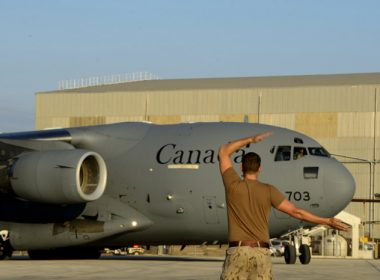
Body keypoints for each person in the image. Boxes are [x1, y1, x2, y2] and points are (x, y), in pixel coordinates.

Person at [218, 131, 349, 280]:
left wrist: (252, 139)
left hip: (237, 252)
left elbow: (223, 151)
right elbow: (296, 212)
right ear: (260, 168)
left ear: (241, 167)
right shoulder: (269, 190)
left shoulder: (233, 185)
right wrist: (327, 221)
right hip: (261, 253)